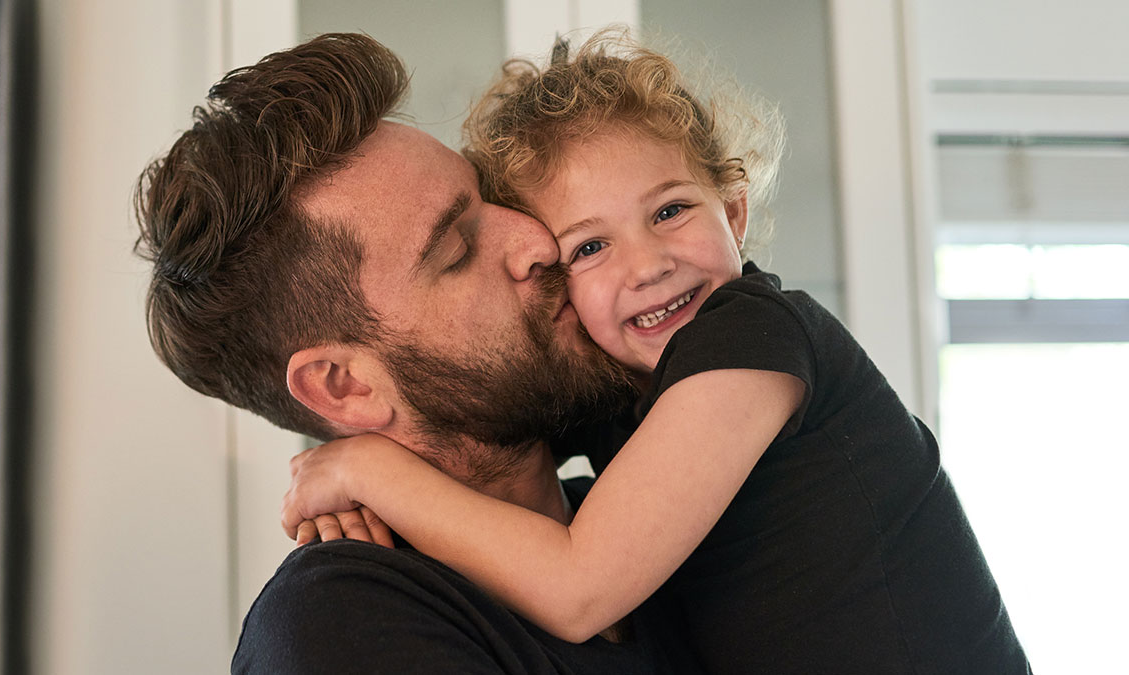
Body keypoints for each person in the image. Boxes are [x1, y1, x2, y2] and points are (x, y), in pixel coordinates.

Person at [281, 34, 1032, 673]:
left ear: (733, 211)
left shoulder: (754, 337)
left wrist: (364, 470)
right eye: (590, 247)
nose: (646, 265)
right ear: (557, 278)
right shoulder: (622, 390)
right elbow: (472, 433)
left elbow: (579, 587)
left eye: (670, 210)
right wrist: (352, 478)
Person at [134, 32, 704, 673]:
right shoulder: (344, 626)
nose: (539, 242)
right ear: (345, 386)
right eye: (456, 251)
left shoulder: (662, 518)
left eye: (493, 199)